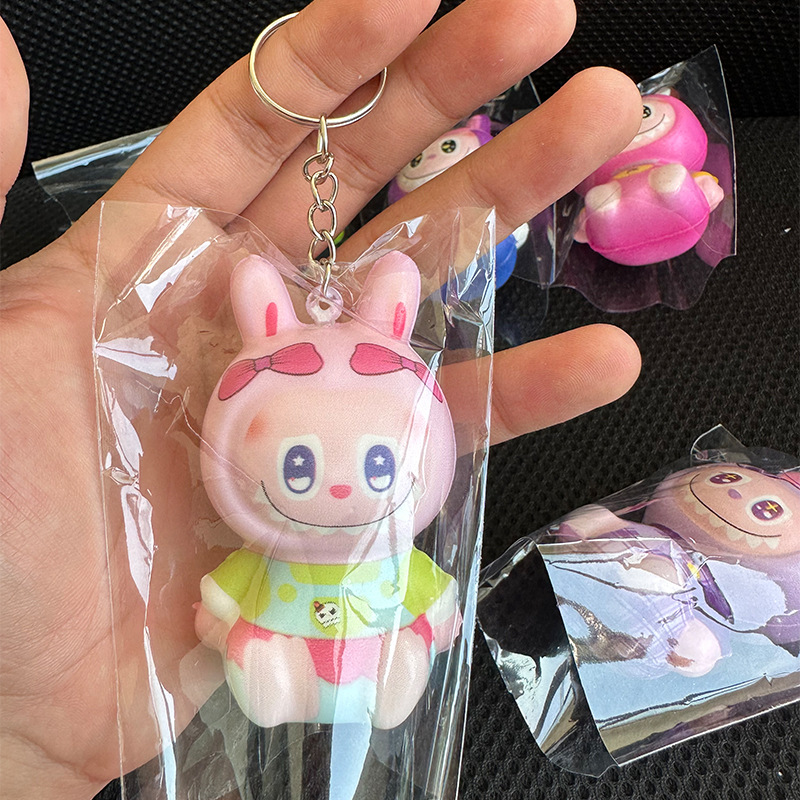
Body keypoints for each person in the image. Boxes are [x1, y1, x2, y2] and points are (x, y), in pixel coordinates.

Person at [0, 0, 644, 797]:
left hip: (374, 643)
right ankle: (277, 677)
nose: (340, 489)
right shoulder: (263, 552)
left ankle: (388, 669)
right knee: (258, 654)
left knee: (399, 649)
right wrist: (220, 620)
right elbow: (225, 597)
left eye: (377, 465)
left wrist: (435, 617)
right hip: (277, 643)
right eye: (299, 466)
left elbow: (431, 592)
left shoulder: (393, 557)